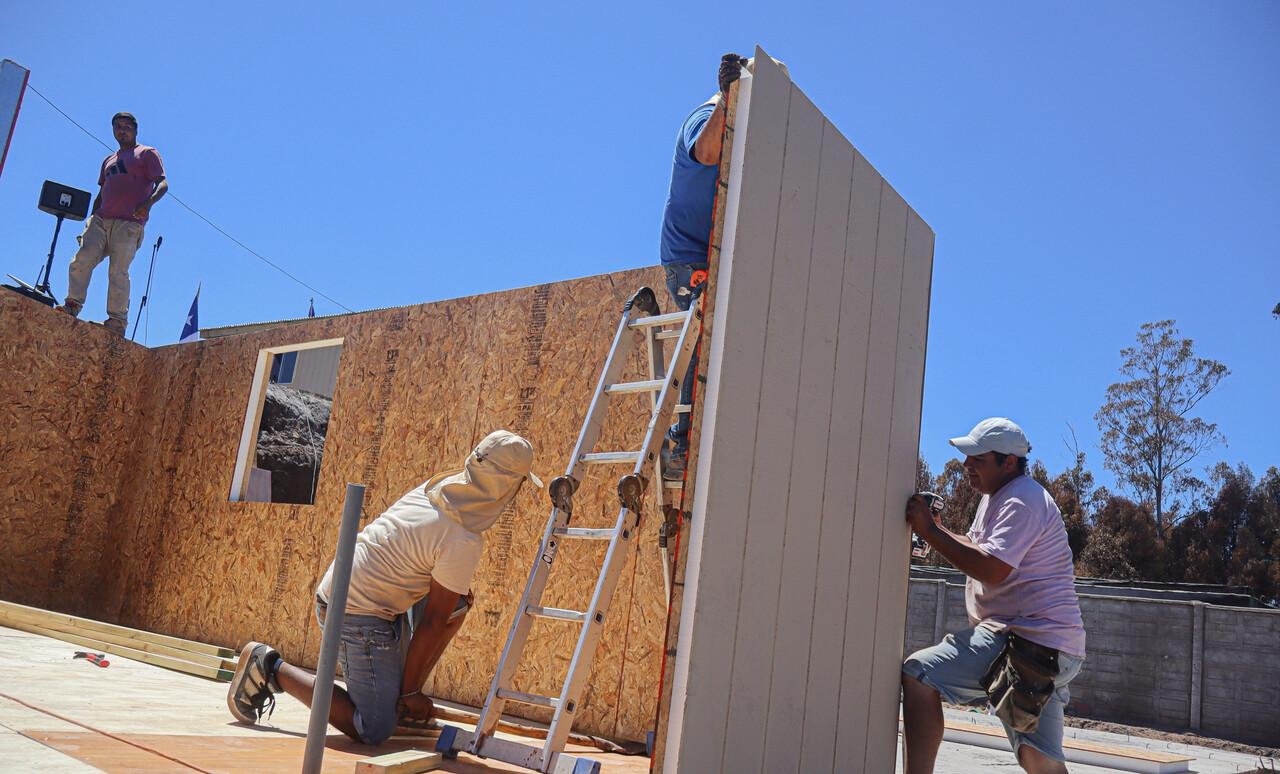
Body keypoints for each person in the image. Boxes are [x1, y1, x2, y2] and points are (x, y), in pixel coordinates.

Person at [226, 430, 543, 745]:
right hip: (353, 612)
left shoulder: (439, 490)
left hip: (354, 594)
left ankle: (400, 701)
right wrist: (412, 692)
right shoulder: (463, 537)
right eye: (520, 483)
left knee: (456, 602)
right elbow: (432, 622)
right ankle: (269, 667)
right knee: (374, 728)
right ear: (505, 487)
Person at [901, 418, 1086, 774]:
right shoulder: (997, 497)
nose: (967, 465)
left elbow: (991, 568)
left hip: (1027, 642)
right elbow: (975, 545)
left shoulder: (1023, 500)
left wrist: (927, 530)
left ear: (1009, 462)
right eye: (967, 457)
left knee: (919, 674)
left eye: (978, 459)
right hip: (1051, 646)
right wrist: (937, 529)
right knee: (1039, 759)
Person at [656, 53, 747, 481]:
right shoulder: (708, 116)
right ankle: (680, 443)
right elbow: (706, 152)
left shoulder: (739, 134)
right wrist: (731, 99)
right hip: (688, 259)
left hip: (706, 256)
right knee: (702, 333)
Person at [57, 112, 168, 336]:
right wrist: (91, 217)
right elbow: (102, 190)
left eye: (127, 126)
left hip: (129, 223)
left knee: (118, 271)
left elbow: (163, 182)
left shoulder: (146, 153)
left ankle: (117, 322)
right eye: (118, 126)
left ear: (135, 131)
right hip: (101, 219)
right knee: (82, 258)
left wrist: (148, 203)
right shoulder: (109, 160)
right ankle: (72, 304)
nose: (122, 130)